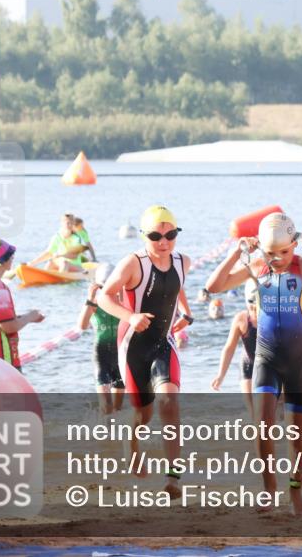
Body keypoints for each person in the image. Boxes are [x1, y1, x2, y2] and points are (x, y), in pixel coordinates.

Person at [206, 211, 302, 515]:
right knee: (262, 427)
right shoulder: (256, 267)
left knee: (297, 434)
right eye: (270, 252)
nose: (277, 258)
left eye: (284, 251)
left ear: (294, 245)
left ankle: (296, 491)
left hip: (297, 363)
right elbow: (214, 286)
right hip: (266, 359)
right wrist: (237, 253)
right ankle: (269, 489)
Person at [97, 205, 193, 499]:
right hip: (134, 347)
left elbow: (176, 286)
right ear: (143, 236)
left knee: (169, 401)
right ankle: (133, 448)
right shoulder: (132, 263)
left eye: (170, 235)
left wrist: (187, 313)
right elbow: (104, 296)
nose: (163, 242)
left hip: (164, 342)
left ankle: (173, 477)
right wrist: (130, 317)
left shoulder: (182, 261)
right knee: (143, 412)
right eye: (155, 236)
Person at [77, 263, 124, 415]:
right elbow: (82, 325)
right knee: (106, 405)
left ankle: (112, 438)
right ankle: (103, 431)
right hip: (101, 356)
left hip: (121, 356)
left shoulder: (123, 302)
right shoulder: (95, 303)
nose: (108, 292)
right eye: (103, 287)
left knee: (117, 407)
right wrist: (89, 298)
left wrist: (122, 293)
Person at [0, 239, 44, 372]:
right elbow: (8, 326)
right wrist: (30, 316)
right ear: (1, 262)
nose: (13, 258)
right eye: (10, 255)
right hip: (4, 359)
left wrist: (21, 317)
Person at [211, 281, 260, 421]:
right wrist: (220, 375)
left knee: (276, 407)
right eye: (251, 303)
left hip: (271, 365)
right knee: (253, 413)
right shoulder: (241, 319)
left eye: (258, 303)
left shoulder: (273, 318)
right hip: (248, 364)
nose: (255, 307)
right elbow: (229, 348)